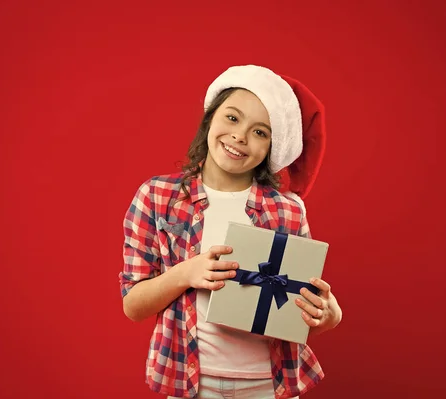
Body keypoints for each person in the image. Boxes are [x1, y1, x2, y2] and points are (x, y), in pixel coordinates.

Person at [119, 65, 342, 399]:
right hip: (192, 382)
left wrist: (329, 313)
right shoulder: (157, 197)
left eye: (260, 132)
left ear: (272, 146)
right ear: (210, 118)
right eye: (233, 118)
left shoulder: (287, 209)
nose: (240, 136)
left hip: (269, 385)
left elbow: (307, 303)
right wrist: (185, 273)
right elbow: (133, 306)